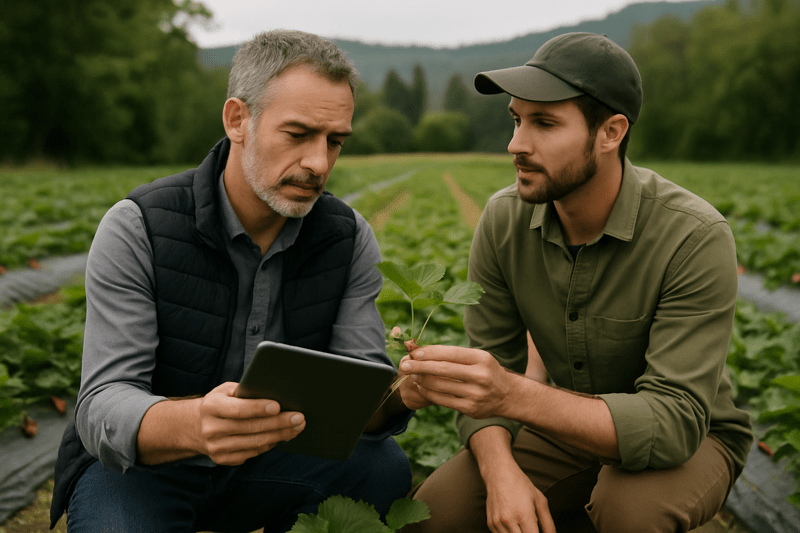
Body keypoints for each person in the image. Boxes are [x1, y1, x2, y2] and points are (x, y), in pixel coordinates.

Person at [49, 30, 413, 533]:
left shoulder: (347, 238)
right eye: (298, 134)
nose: (319, 163)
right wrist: (196, 422)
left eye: (335, 142)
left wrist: (403, 393)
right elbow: (102, 404)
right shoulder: (139, 227)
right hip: (147, 469)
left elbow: (356, 393)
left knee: (382, 469)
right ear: (237, 119)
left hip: (276, 458)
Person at [398, 32, 753, 533]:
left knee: (630, 513)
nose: (516, 145)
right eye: (517, 120)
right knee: (437, 513)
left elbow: (672, 424)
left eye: (544, 123)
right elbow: (491, 379)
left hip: (693, 437)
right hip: (563, 424)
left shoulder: (694, 236)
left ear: (610, 133)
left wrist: (512, 395)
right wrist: (501, 474)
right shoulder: (502, 221)